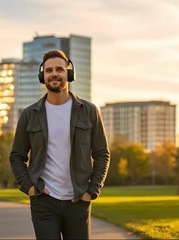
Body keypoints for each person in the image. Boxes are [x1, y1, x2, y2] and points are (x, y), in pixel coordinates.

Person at [9, 49, 110, 239]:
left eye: (59, 69)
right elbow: (16, 156)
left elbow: (102, 153)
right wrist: (30, 187)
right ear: (42, 76)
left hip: (78, 200)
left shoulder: (89, 111)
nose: (54, 74)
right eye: (48, 70)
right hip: (43, 201)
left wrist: (92, 191)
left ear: (69, 74)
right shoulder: (29, 115)